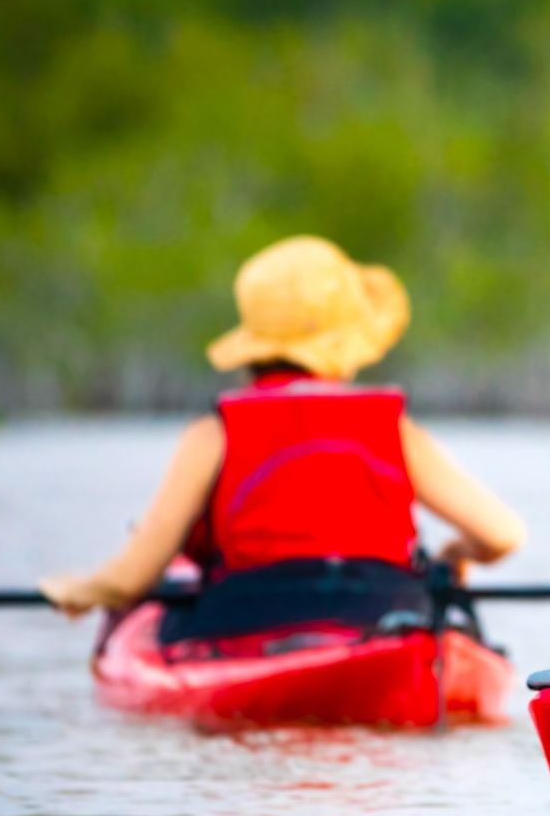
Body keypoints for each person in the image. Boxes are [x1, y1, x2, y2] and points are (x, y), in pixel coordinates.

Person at [41, 236, 525, 629]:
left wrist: (77, 590)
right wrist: (458, 555)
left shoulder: (214, 432)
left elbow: (131, 580)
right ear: (346, 343)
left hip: (247, 619)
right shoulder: (392, 427)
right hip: (379, 611)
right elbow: (503, 534)